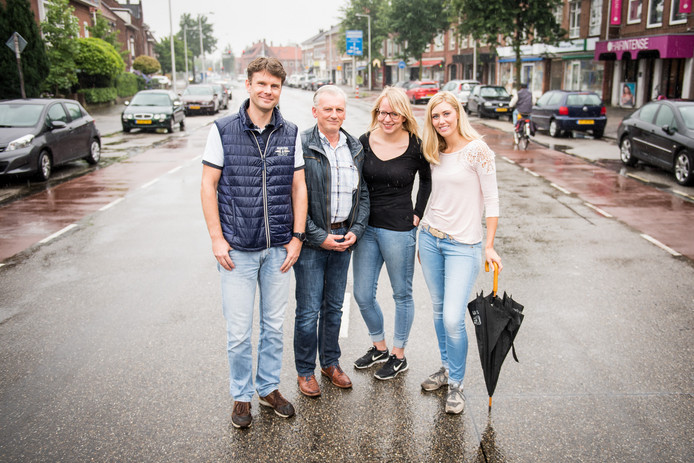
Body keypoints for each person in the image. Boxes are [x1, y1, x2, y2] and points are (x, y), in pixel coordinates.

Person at [200, 57, 308, 429]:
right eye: (261, 84)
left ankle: (268, 388)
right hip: (238, 252)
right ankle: (241, 396)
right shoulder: (223, 129)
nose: (268, 91)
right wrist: (217, 239)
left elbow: (298, 187)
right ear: (248, 85)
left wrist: (296, 238)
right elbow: (208, 186)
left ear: (280, 90)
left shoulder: (290, 132)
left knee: (274, 327)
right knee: (239, 332)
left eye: (274, 86)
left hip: (278, 248)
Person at [418, 91, 502, 415]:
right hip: (430, 238)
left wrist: (489, 244)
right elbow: (432, 195)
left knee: (454, 318)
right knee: (439, 311)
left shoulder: (477, 150)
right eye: (435, 116)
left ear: (457, 113)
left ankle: (457, 383)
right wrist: (420, 234)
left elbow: (492, 201)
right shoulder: (435, 149)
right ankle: (445, 368)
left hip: (463, 246)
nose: (440, 121)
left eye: (445, 114)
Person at [294, 85, 369, 397]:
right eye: (328, 109)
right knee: (309, 309)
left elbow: (362, 194)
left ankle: (330, 362)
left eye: (339, 109)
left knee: (335, 308)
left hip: (343, 238)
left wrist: (357, 229)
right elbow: (293, 199)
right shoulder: (302, 146)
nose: (334, 115)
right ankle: (304, 370)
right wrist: (317, 236)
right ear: (315, 112)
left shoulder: (355, 148)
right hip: (313, 242)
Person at [352, 87, 431, 380]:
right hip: (367, 230)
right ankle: (380, 347)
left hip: (399, 229)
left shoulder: (415, 146)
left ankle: (399, 355)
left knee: (402, 294)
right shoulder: (363, 142)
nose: (387, 118)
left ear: (403, 115)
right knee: (362, 294)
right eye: (382, 112)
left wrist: (418, 213)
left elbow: (427, 180)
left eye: (393, 113)